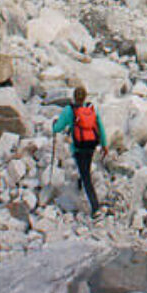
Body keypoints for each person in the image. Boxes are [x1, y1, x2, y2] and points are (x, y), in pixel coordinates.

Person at [53, 85, 106, 216]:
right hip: (91, 146)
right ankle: (80, 188)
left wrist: (54, 124)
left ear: (74, 97)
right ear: (85, 97)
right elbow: (100, 127)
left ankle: (95, 207)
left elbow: (58, 128)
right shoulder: (91, 109)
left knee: (85, 175)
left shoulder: (69, 110)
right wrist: (104, 145)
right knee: (85, 169)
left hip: (78, 147)